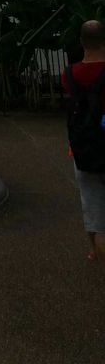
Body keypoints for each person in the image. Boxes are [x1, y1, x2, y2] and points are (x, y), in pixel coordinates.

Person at [62, 19, 105, 263]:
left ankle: (95, 251)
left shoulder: (69, 74)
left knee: (93, 209)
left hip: (84, 148)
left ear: (81, 42)